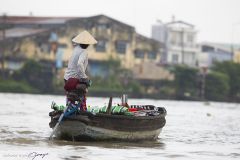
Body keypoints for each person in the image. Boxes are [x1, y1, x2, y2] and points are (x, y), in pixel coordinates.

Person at [64, 30, 97, 111]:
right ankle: (82, 109)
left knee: (70, 96)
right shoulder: (84, 52)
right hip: (74, 79)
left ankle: (69, 108)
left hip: (67, 78)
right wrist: (84, 77)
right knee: (85, 88)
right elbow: (79, 64)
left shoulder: (76, 49)